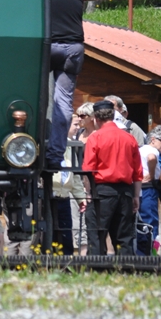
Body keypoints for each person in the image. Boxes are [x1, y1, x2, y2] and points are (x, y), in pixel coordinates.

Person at [82, 100, 143, 256]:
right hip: (126, 191)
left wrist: (88, 193)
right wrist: (136, 196)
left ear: (95, 118)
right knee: (124, 236)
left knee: (96, 232)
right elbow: (137, 171)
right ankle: (127, 270)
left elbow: (88, 169)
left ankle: (97, 269)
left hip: (102, 191)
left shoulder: (95, 138)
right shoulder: (129, 138)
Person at [46, 0, 85, 170]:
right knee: (63, 102)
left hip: (47, 46)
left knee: (37, 96)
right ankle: (56, 154)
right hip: (73, 48)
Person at [137, 127, 161, 255]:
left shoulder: (140, 149)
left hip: (139, 188)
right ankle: (148, 256)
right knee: (149, 223)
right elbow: (151, 158)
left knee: (140, 222)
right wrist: (151, 175)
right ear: (153, 139)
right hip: (148, 189)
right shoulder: (152, 150)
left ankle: (141, 253)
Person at [68, 102, 97, 255]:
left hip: (91, 183)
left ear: (92, 117)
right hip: (78, 181)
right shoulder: (80, 135)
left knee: (89, 224)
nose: (79, 119)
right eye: (77, 115)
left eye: (82, 116)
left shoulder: (96, 136)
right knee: (77, 223)